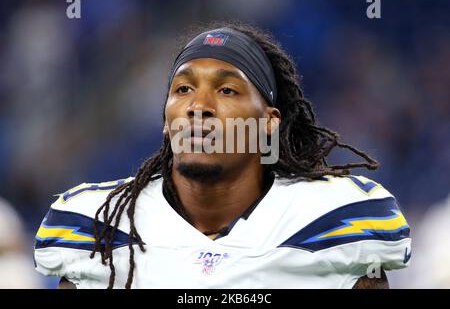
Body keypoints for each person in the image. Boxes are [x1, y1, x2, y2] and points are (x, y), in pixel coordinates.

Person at [34, 22, 411, 289]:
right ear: (166, 121)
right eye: (183, 89)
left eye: (227, 90)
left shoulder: (337, 221)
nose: (199, 105)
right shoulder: (94, 226)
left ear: (268, 121)